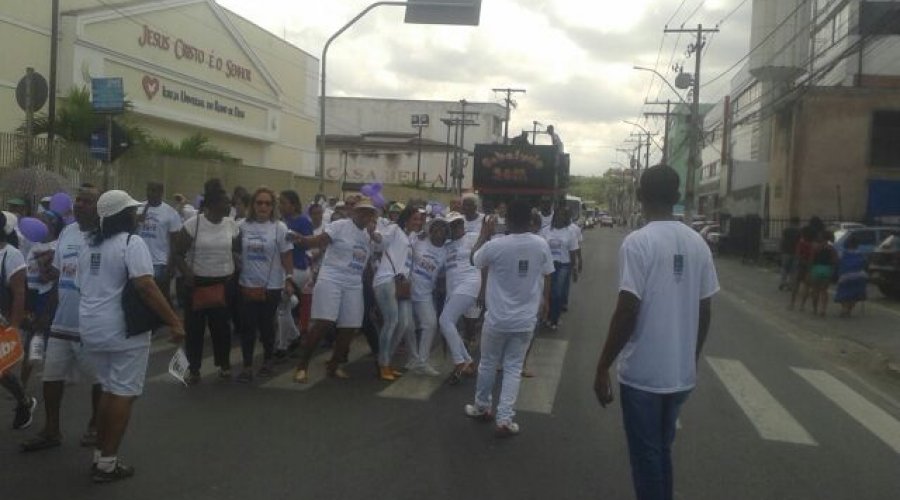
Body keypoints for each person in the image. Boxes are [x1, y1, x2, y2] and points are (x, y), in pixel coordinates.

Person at [593, 165, 718, 500]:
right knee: (661, 451)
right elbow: (705, 309)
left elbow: (627, 309)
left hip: (644, 376)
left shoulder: (638, 242)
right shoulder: (698, 244)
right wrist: (690, 357)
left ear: (639, 196)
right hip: (680, 375)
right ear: (677, 198)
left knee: (647, 457)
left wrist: (603, 364)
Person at [78, 190, 184, 482]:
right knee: (124, 392)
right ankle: (107, 464)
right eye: (133, 211)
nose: (138, 215)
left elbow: (83, 285)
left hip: (91, 327)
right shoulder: (131, 242)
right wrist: (174, 321)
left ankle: (101, 455)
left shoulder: (89, 245)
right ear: (123, 216)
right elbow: (146, 287)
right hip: (122, 328)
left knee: (108, 390)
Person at [21, 185, 102, 452]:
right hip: (61, 321)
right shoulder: (68, 232)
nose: (79, 204)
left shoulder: (104, 236)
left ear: (98, 207)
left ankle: (95, 425)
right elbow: (59, 276)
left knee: (99, 380)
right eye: (77, 200)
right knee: (51, 376)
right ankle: (51, 430)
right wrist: (46, 314)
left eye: (87, 201)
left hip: (90, 323)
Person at [464, 201, 553, 437]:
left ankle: (482, 406)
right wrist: (546, 301)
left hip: (497, 319)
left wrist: (483, 235)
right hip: (525, 320)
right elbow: (548, 273)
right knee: (514, 367)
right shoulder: (541, 244)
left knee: (488, 362)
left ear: (508, 220)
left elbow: (473, 260)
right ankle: (505, 419)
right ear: (531, 220)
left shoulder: (496, 245)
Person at [292, 197, 381, 383]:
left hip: (354, 283)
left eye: (369, 213)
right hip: (331, 278)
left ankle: (334, 365)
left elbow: (366, 266)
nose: (366, 216)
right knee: (324, 323)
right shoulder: (340, 225)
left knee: (349, 327)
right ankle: (302, 366)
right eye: (362, 211)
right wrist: (302, 240)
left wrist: (372, 290)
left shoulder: (367, 237)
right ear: (354, 213)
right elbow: (319, 240)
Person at [173, 186, 239, 383]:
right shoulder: (193, 225)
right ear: (210, 205)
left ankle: (224, 365)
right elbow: (177, 253)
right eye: (224, 202)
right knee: (194, 330)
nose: (228, 206)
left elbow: (236, 250)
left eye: (228, 202)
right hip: (198, 285)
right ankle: (194, 369)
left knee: (222, 330)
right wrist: (187, 273)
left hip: (223, 284)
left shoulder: (230, 225)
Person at [236, 188, 294, 383]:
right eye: (259, 203)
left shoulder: (279, 228)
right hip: (246, 284)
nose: (263, 207)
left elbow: (287, 255)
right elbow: (233, 251)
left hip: (272, 286)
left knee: (267, 326)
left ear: (272, 207)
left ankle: (268, 360)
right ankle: (246, 365)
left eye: (267, 203)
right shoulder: (241, 226)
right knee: (247, 327)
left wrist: (289, 279)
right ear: (252, 205)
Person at [371, 206, 423, 380]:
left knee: (405, 323)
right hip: (386, 280)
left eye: (420, 219)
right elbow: (381, 242)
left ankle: (386, 361)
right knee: (391, 322)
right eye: (415, 218)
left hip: (402, 285)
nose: (418, 222)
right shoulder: (394, 229)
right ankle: (383, 364)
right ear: (406, 219)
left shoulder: (412, 237)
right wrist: (373, 233)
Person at [0, 211, 35, 430]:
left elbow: (19, 293)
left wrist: (12, 328)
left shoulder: (10, 255)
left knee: (1, 371)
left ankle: (24, 402)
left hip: (3, 322)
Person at [439, 212, 479, 383]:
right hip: (453, 289)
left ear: (463, 224)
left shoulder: (473, 237)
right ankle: (468, 362)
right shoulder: (446, 246)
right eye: (452, 225)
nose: (456, 228)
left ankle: (459, 362)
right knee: (449, 323)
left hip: (470, 283)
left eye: (458, 224)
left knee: (444, 321)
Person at [278, 190, 313, 356]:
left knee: (281, 307)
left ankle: (283, 345)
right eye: (280, 202)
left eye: (283, 202)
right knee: (284, 305)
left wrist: (296, 238)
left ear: (293, 204)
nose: (280, 206)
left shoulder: (303, 221)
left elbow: (309, 244)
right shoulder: (281, 221)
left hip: (298, 268)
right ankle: (294, 335)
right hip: (284, 269)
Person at [137, 182, 183, 303]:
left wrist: (172, 265)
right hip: (139, 260)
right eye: (148, 190)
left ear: (161, 193)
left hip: (160, 262)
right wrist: (140, 216)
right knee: (140, 298)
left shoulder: (170, 212)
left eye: (153, 191)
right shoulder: (138, 208)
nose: (150, 194)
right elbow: (130, 231)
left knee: (160, 298)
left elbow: (175, 241)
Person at [542, 209, 579, 330]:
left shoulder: (570, 232)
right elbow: (541, 247)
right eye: (557, 216)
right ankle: (546, 316)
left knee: (557, 293)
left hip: (563, 265)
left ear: (565, 219)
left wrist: (574, 268)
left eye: (562, 216)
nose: (559, 218)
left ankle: (554, 319)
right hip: (548, 265)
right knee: (547, 292)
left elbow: (573, 251)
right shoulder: (546, 230)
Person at [834, 235, 868, 317]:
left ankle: (844, 308)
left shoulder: (843, 253)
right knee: (855, 294)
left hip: (845, 276)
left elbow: (838, 263)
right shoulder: (861, 254)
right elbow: (865, 264)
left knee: (844, 293)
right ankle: (849, 310)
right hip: (860, 276)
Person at [807, 231, 837, 317]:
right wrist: (832, 269)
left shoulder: (816, 248)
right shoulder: (831, 248)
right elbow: (835, 260)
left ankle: (814, 309)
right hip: (827, 269)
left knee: (815, 291)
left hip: (816, 269)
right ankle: (823, 309)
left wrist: (809, 271)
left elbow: (811, 260)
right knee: (824, 291)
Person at [778, 217, 801, 291]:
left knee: (784, 267)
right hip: (796, 252)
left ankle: (783, 282)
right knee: (793, 269)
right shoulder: (799, 231)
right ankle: (791, 285)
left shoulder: (786, 230)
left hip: (786, 251)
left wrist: (780, 249)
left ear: (790, 222)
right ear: (798, 222)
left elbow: (782, 240)